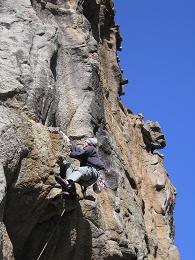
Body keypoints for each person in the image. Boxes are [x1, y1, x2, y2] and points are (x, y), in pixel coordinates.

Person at [55, 131, 105, 199]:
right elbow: (76, 148)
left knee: (78, 171)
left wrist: (70, 154)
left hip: (92, 172)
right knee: (69, 166)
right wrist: (66, 138)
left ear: (88, 143)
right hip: (84, 180)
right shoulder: (87, 151)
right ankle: (68, 190)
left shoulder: (91, 149)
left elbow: (80, 154)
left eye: (85, 142)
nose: (83, 144)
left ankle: (67, 182)